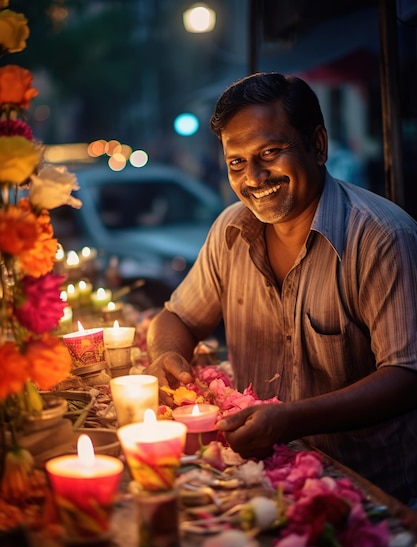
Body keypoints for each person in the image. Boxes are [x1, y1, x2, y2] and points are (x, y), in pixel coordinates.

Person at [145, 72, 417, 506]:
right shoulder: (231, 229)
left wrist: (290, 421)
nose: (253, 177)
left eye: (270, 152)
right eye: (237, 162)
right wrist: (165, 355)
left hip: (371, 497)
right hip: (264, 484)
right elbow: (176, 317)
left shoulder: (382, 236)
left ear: (319, 145)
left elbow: (406, 376)